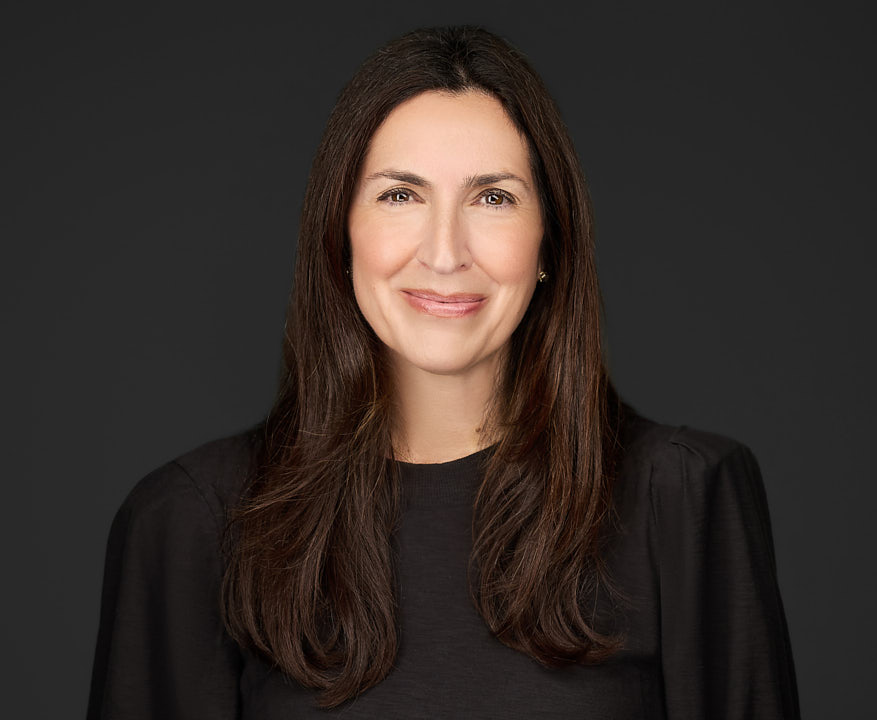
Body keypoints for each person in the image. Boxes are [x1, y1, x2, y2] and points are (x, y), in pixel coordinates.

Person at [86, 25, 800, 719]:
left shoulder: (684, 496)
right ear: (340, 232)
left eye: (493, 197)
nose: (445, 253)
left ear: (549, 241)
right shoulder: (192, 520)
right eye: (401, 195)